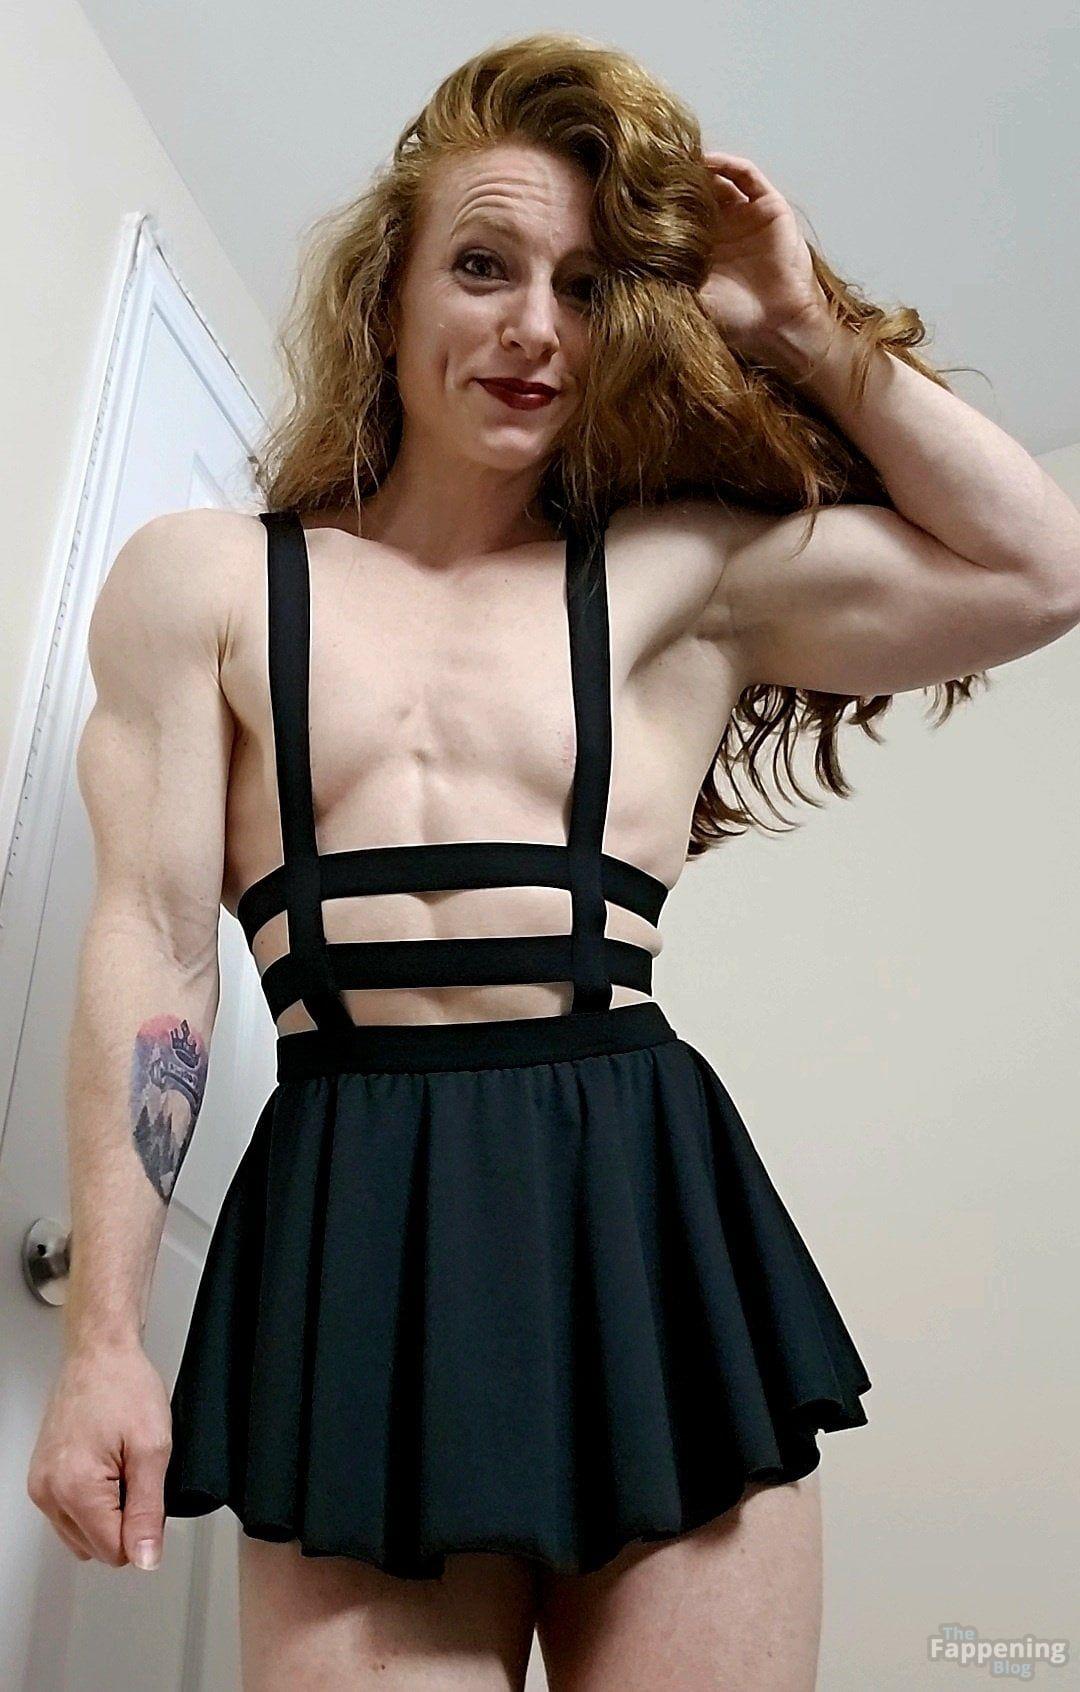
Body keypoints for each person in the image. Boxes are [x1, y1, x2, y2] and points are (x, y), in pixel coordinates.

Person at [27, 31, 1080, 1692]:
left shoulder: (680, 574)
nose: (535, 326)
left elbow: (1040, 570)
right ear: (388, 293)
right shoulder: (206, 583)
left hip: (640, 1211)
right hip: (352, 1224)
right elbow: (153, 944)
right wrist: (102, 1342)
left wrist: (803, 321)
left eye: (586, 289)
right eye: (485, 266)